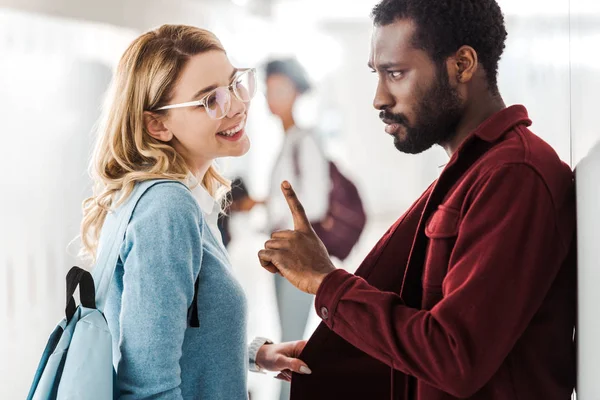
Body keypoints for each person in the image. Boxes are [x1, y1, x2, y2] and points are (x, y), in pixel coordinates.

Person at [257, 1, 576, 399]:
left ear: (461, 65)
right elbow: (429, 335)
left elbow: (454, 356)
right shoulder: (471, 171)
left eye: (396, 73)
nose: (379, 98)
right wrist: (334, 356)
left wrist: (327, 281)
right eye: (378, 74)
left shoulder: (514, 175)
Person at [80, 24, 310, 399]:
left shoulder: (170, 198)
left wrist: (254, 355)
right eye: (210, 100)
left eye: (236, 84)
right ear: (157, 125)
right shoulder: (167, 210)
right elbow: (148, 388)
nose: (236, 105)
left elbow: (170, 338)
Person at [263, 58, 331, 400]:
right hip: (281, 255)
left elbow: (316, 202)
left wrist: (280, 217)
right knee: (284, 338)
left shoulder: (305, 140)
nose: (269, 96)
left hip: (297, 257)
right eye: (268, 89)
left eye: (278, 89)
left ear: (295, 92)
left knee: (290, 341)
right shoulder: (286, 141)